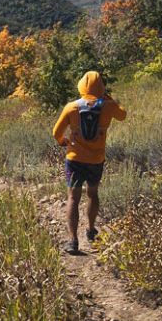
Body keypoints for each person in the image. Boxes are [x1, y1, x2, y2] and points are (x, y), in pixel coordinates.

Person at [52, 71, 126, 253]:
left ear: (81, 87)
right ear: (101, 87)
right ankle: (91, 230)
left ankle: (72, 241)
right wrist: (108, 98)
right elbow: (123, 115)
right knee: (92, 194)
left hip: (75, 160)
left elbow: (56, 132)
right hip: (96, 160)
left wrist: (63, 142)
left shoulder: (71, 107)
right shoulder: (108, 107)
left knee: (73, 198)